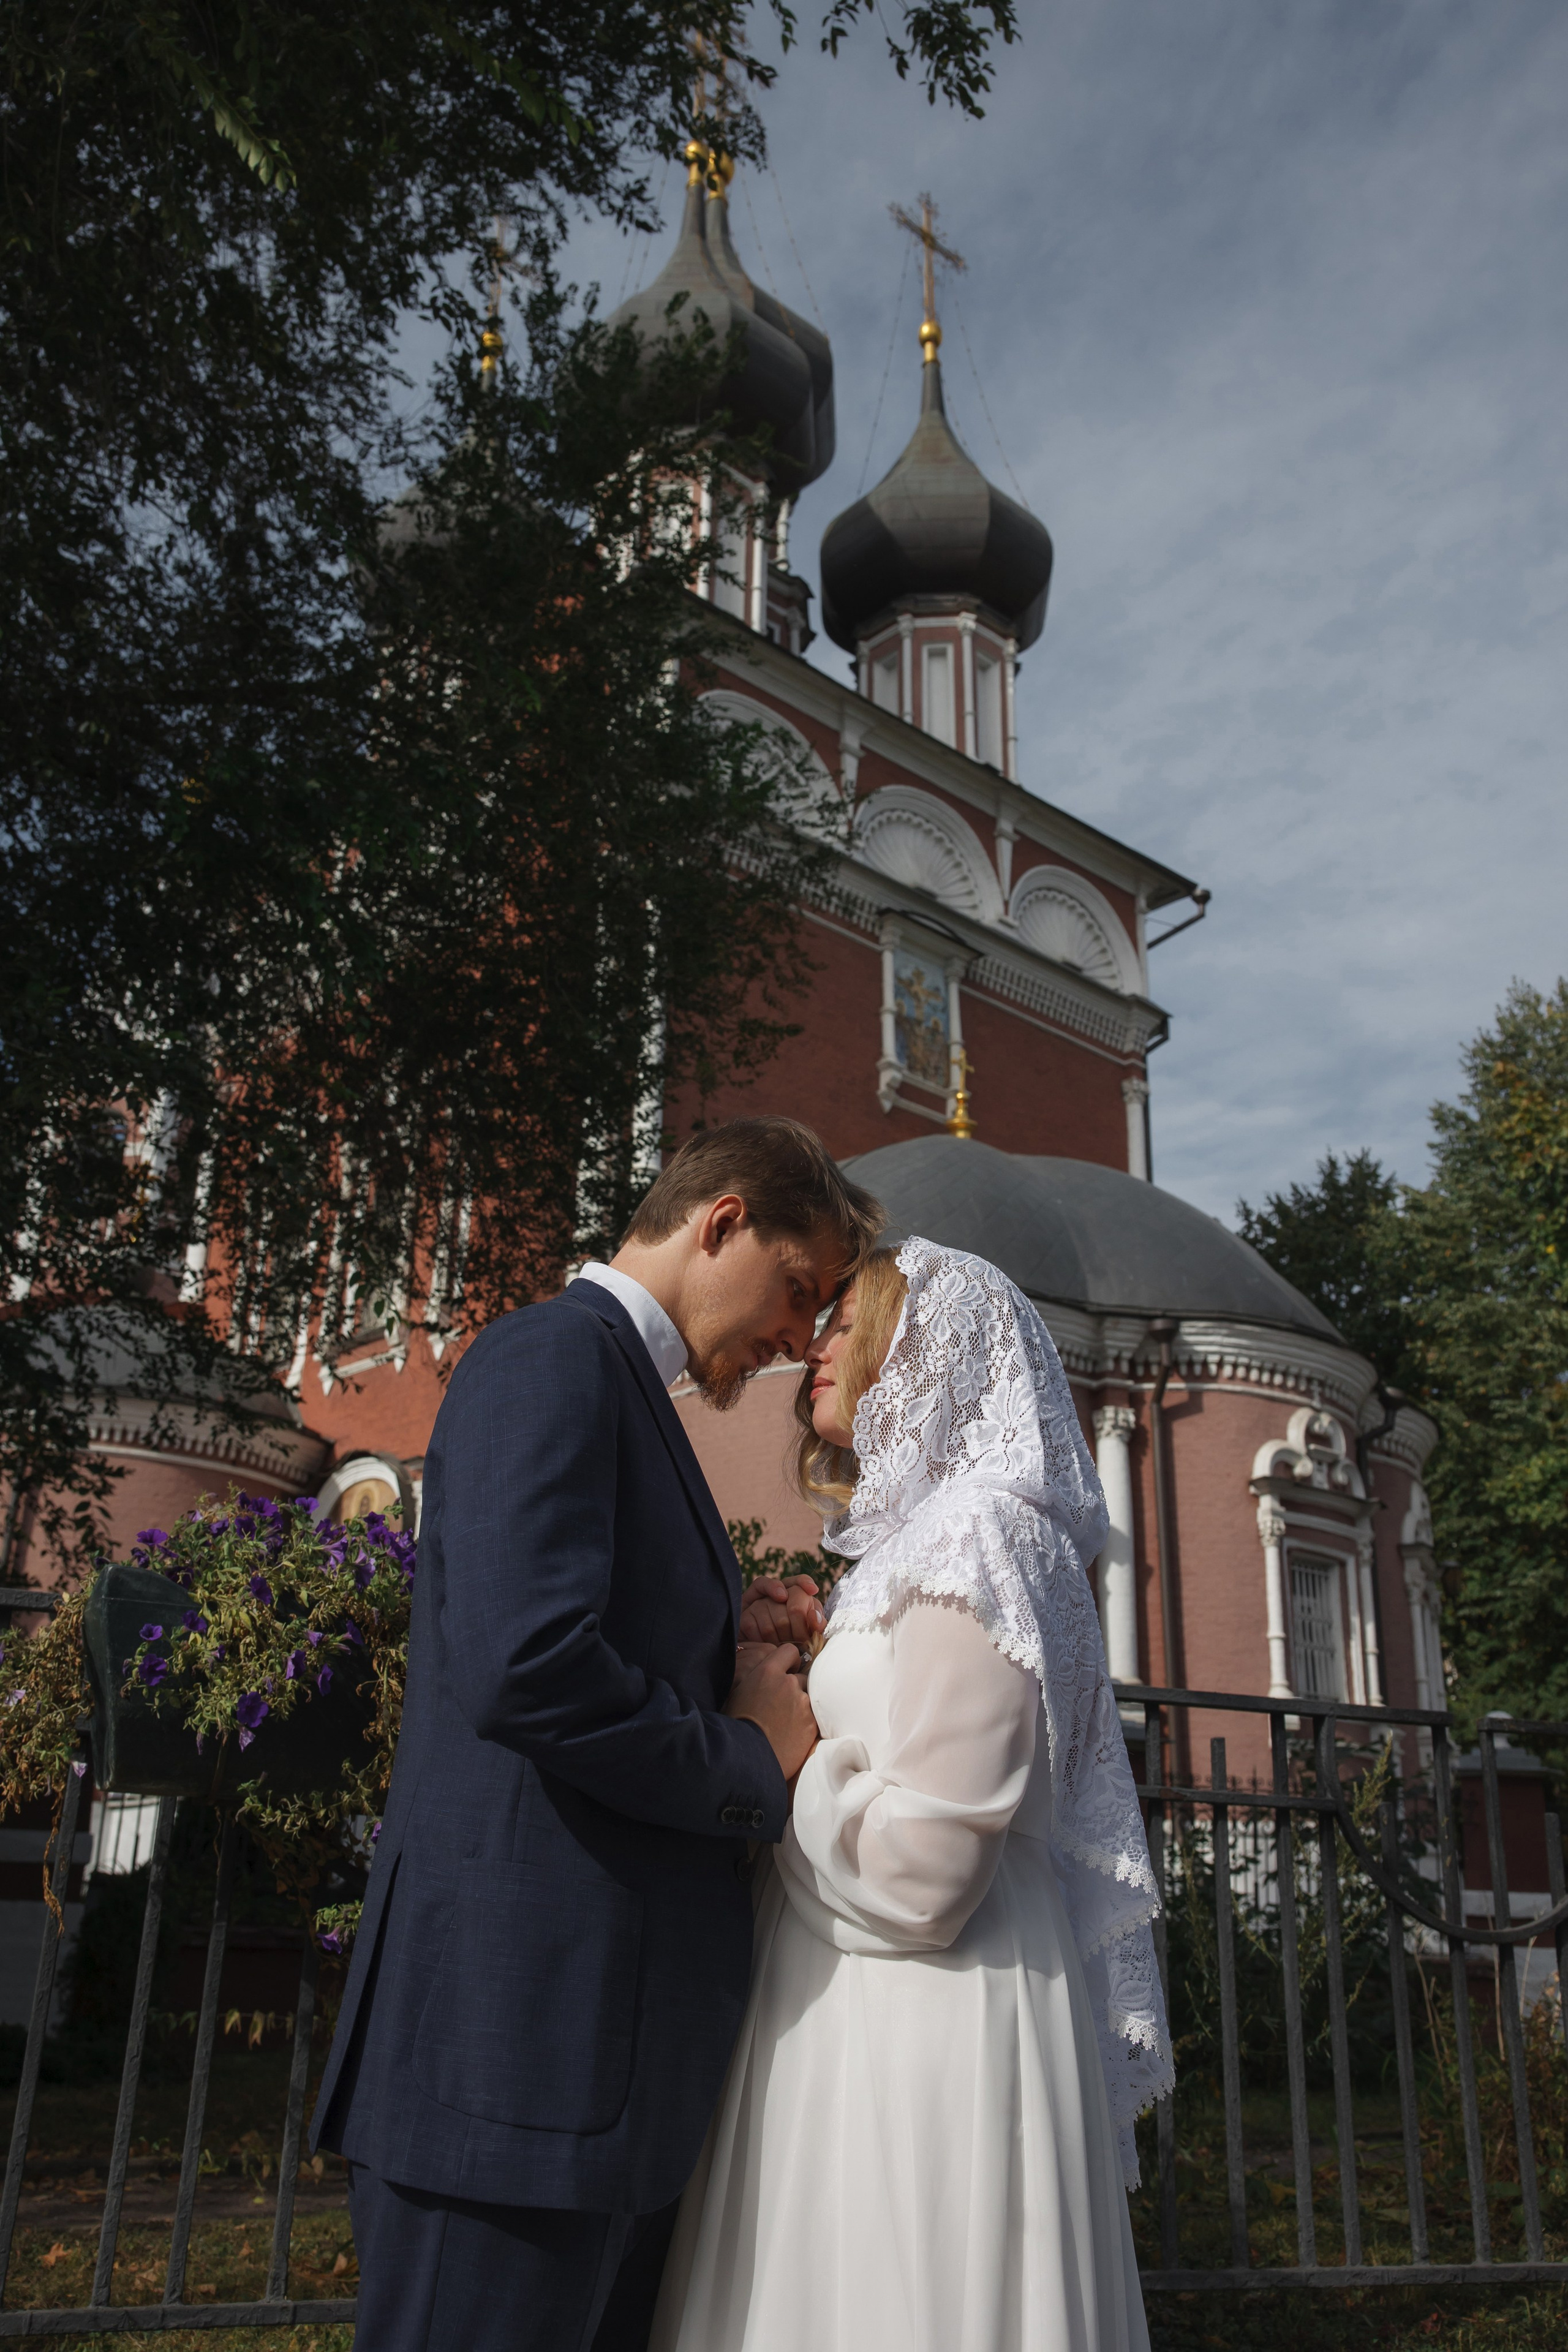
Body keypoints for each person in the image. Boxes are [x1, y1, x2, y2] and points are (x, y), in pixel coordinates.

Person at [311, 1117, 882, 2352]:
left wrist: (731, 1636)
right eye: (797, 1291)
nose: (797, 1337)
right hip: (511, 2065)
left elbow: (572, 1628)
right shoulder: (549, 1358)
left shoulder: (616, 1384)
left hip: (582, 2071)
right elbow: (527, 1665)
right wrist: (748, 1754)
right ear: (721, 1219)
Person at [653, 1238, 1173, 2352]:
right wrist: (809, 1652)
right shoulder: (913, 1544)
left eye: (848, 1320)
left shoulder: (980, 1530)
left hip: (923, 2019)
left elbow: (927, 1870)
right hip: (859, 2002)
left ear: (926, 1345)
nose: (813, 1344)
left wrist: (780, 1741)